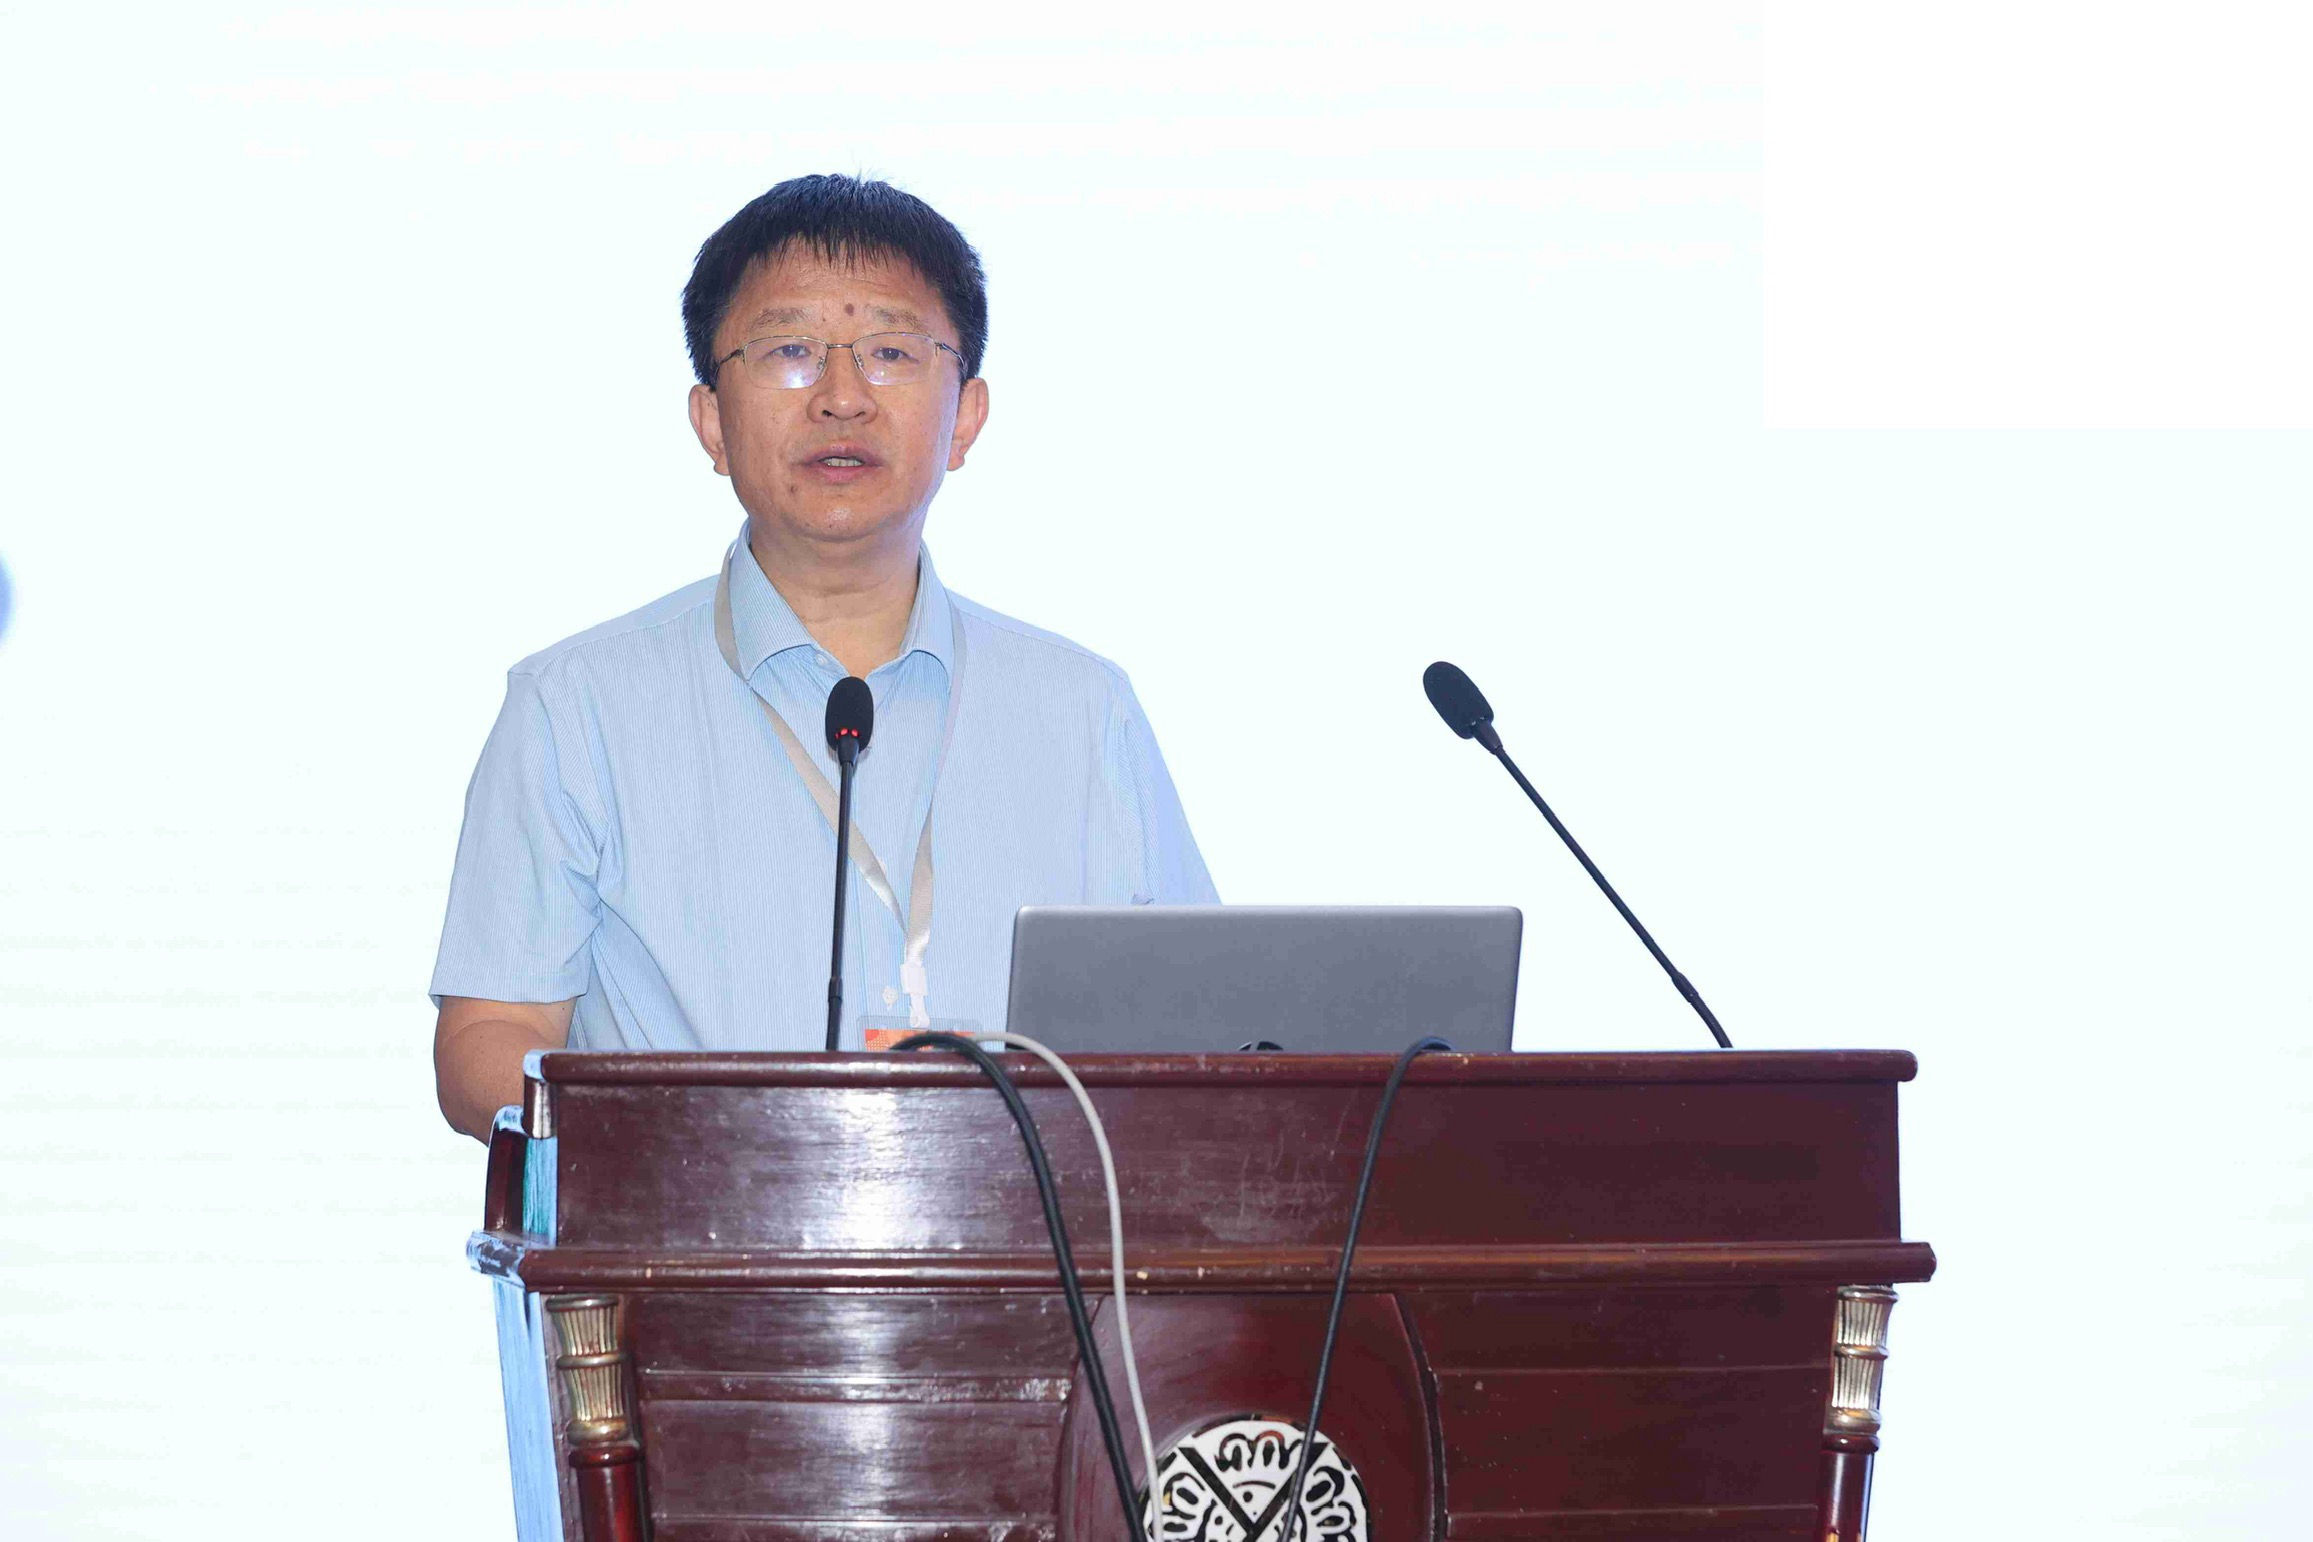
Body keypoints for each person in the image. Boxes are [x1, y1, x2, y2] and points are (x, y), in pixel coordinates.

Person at [429, 175, 1217, 1140]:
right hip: (697, 1225)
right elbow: (489, 1037)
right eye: (790, 352)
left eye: (891, 352)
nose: (843, 398)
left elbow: (1201, 1031)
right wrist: (676, 1148)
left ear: (966, 416)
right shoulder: (575, 707)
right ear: (712, 421)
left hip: (1028, 1234)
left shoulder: (1083, 709)